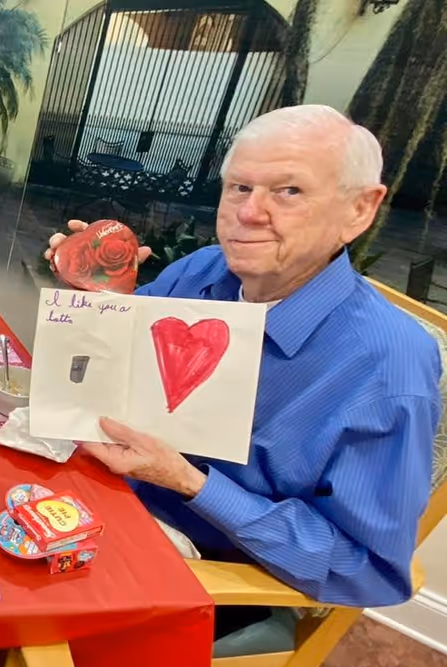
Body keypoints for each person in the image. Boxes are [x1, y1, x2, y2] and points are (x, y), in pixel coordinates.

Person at [45, 105, 440, 617]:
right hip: (106, 500)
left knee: (9, 627)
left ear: (359, 211)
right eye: (239, 188)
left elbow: (368, 569)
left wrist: (191, 483)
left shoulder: (390, 365)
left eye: (289, 191)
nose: (250, 213)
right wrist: (98, 301)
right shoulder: (202, 271)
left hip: (216, 572)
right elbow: (113, 378)